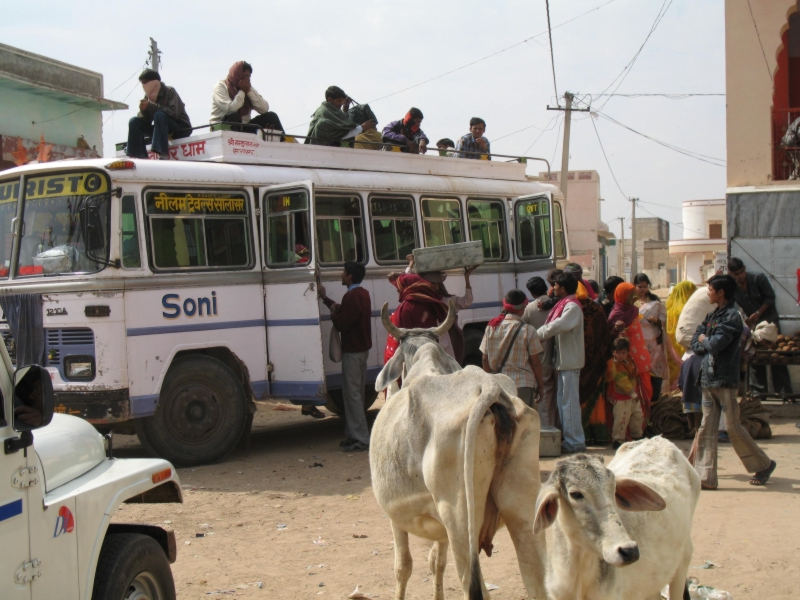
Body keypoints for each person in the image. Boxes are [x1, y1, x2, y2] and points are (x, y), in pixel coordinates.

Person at [691, 274, 776, 488]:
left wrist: (703, 339)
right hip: (708, 379)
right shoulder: (713, 315)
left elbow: (714, 345)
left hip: (725, 379)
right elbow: (697, 343)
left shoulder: (732, 317)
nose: (708, 292)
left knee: (733, 427)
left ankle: (764, 464)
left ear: (721, 293)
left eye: (710, 289)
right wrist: (704, 340)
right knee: (706, 428)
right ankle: (706, 478)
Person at [318, 262, 372, 452]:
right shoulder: (362, 294)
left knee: (352, 395)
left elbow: (342, 323)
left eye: (344, 273)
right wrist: (327, 301)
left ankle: (361, 437)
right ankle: (354, 434)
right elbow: (345, 312)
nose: (341, 275)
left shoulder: (352, 296)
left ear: (350, 276)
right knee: (355, 394)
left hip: (353, 351)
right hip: (362, 351)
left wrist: (333, 314)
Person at [536, 272, 586, 453]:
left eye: (555, 286)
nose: (553, 289)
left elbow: (559, 325)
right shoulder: (564, 304)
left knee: (569, 404)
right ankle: (570, 440)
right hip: (564, 362)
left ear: (563, 288)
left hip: (570, 362)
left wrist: (536, 335)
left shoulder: (571, 307)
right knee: (563, 402)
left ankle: (575, 442)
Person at [729, 257, 793, 397]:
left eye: (742, 272)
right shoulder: (732, 288)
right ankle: (759, 393)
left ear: (745, 269)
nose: (740, 276)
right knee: (756, 356)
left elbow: (770, 299)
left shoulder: (758, 278)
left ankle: (784, 393)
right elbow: (731, 307)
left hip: (769, 322)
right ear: (731, 274)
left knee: (776, 356)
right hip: (754, 326)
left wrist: (758, 313)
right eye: (736, 274)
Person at [481, 289, 544, 408]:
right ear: (523, 307)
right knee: (524, 425)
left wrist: (489, 382)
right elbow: (535, 363)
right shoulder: (528, 330)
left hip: (499, 386)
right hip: (522, 386)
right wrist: (540, 386)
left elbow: (485, 359)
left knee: (502, 424)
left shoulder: (491, 327)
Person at [608, 282, 653, 428]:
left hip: (640, 359)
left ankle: (641, 428)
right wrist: (616, 329)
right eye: (631, 294)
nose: (634, 296)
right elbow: (610, 337)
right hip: (624, 361)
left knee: (643, 395)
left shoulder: (633, 310)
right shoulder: (616, 314)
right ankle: (624, 432)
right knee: (625, 399)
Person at [577, 276, 613, 446]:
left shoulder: (570, 309)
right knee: (596, 400)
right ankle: (599, 435)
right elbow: (604, 337)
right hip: (596, 364)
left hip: (577, 365)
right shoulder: (597, 309)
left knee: (579, 401)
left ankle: (584, 435)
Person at [127, 69, 192, 160]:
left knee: (159, 114)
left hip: (179, 129)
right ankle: (139, 155)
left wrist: (151, 106)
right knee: (134, 121)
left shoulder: (169, 91)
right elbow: (146, 121)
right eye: (142, 83)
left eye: (145, 82)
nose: (143, 86)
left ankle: (162, 153)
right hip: (162, 130)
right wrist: (143, 111)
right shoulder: (148, 98)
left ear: (154, 82)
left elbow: (174, 113)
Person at [210, 61, 285, 133]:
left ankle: (287, 143)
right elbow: (231, 108)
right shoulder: (221, 87)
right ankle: (236, 141)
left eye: (249, 77)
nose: (247, 79)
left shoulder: (247, 87)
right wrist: (242, 92)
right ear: (237, 74)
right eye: (245, 76)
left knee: (271, 116)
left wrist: (248, 92)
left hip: (244, 128)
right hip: (222, 128)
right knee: (233, 115)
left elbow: (264, 109)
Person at [524, 276, 556, 425]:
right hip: (558, 352)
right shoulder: (557, 304)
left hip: (539, 355)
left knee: (544, 391)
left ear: (531, 293)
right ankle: (557, 426)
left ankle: (546, 427)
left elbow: (524, 331)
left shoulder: (530, 308)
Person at [632, 274, 669, 401]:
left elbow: (664, 320)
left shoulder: (655, 302)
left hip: (655, 342)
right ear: (634, 286)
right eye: (639, 286)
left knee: (656, 372)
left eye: (645, 286)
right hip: (638, 342)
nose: (642, 289)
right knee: (641, 371)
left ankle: (655, 400)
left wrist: (657, 321)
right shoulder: (631, 302)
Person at [605, 337, 644, 449]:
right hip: (623, 398)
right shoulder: (616, 366)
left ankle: (637, 436)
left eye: (623, 352)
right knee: (621, 419)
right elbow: (623, 382)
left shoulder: (629, 360)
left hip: (633, 396)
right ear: (613, 352)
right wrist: (633, 393)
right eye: (618, 352)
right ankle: (618, 440)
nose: (621, 355)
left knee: (638, 416)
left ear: (627, 352)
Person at [306, 86, 377, 147]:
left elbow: (340, 126)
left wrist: (345, 109)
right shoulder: (324, 114)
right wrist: (362, 127)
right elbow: (340, 132)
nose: (341, 104)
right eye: (339, 101)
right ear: (330, 99)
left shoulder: (330, 110)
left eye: (342, 101)